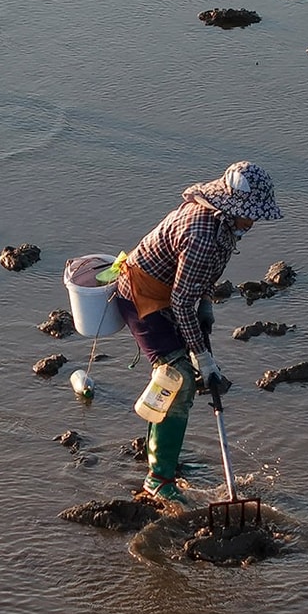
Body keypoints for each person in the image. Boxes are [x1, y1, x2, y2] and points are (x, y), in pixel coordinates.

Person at [113, 162, 285, 508]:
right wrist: (202, 358)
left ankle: (163, 457)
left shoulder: (220, 221)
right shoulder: (203, 233)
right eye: (250, 215)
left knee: (180, 378)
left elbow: (192, 281)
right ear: (233, 208)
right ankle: (158, 479)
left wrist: (205, 302)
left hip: (171, 293)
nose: (253, 222)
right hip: (142, 296)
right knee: (179, 379)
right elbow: (180, 301)